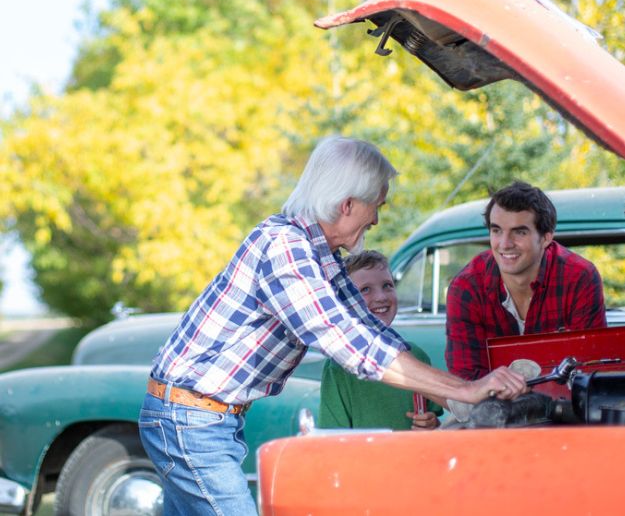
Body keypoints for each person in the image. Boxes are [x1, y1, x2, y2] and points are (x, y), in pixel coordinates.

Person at [139, 136, 526, 516]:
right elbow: (351, 345)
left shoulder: (319, 255)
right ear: (347, 205)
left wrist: (462, 401)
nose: (376, 218)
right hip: (190, 418)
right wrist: (466, 389)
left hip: (205, 416)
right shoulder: (285, 248)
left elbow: (370, 330)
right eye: (376, 206)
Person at [445, 180, 607, 380]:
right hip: (490, 407)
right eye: (496, 231)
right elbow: (466, 379)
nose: (504, 244)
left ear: (546, 238)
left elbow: (590, 368)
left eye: (519, 232)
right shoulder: (467, 287)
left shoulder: (578, 277)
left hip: (564, 406)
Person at [319, 249, 443, 431]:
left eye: (387, 285)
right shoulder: (338, 366)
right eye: (365, 290)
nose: (381, 297)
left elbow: (433, 418)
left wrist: (431, 423)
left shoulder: (416, 355)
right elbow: (333, 435)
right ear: (345, 302)